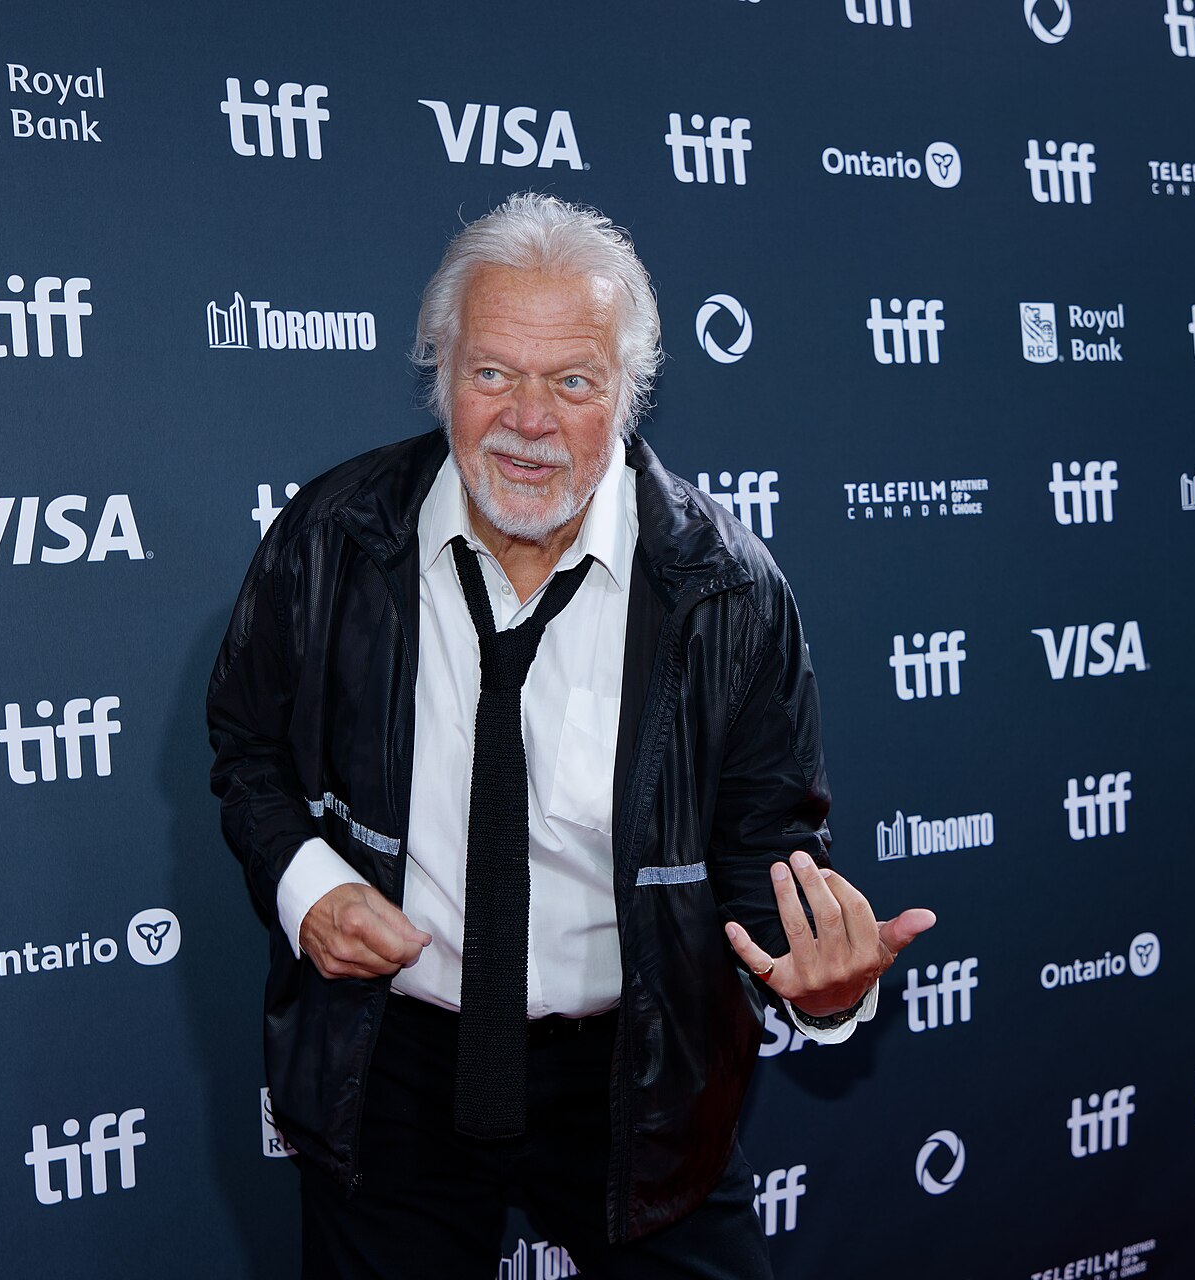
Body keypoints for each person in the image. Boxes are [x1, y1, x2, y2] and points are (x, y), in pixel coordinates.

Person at [207, 192, 934, 1279]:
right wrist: (309, 882)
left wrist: (825, 987)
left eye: (573, 381)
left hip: (636, 1074)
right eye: (492, 371)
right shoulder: (332, 538)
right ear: (441, 373)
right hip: (389, 1064)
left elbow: (765, 852)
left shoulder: (726, 591)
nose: (527, 419)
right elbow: (246, 748)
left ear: (629, 396)